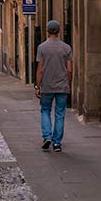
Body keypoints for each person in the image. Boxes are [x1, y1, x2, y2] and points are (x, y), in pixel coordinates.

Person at [35, 20, 72, 153]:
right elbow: (69, 70)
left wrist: (37, 86)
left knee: (45, 110)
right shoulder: (66, 48)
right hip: (62, 85)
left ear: (47, 31)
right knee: (60, 114)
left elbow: (40, 69)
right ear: (59, 31)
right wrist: (69, 84)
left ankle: (47, 137)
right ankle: (57, 143)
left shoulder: (42, 48)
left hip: (46, 85)